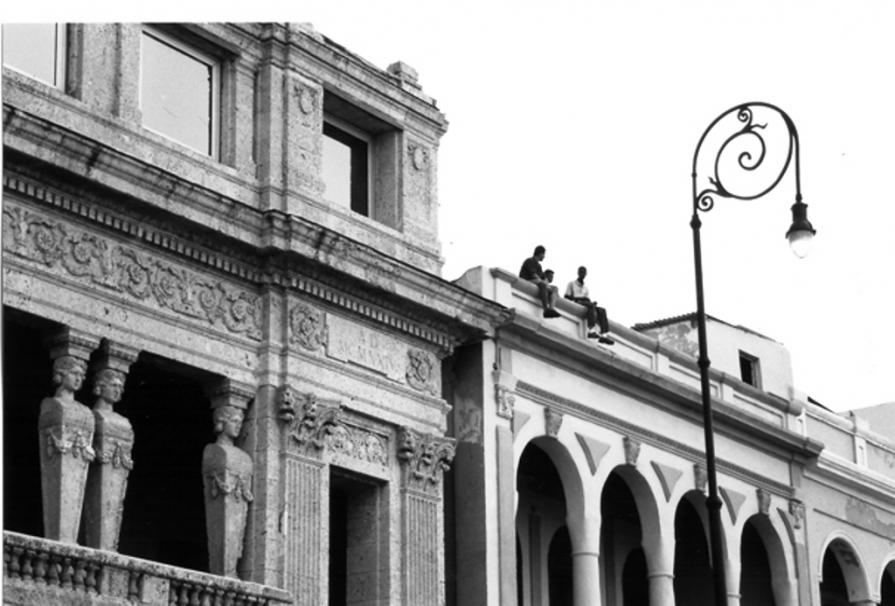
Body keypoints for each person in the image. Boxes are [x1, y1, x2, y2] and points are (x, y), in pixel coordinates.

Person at [564, 266, 614, 345]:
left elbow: (587, 299)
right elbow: (567, 296)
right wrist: (578, 299)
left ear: (586, 274)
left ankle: (604, 335)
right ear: (578, 273)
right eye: (581, 272)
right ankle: (591, 329)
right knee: (590, 305)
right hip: (577, 301)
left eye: (584, 272)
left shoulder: (585, 288)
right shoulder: (571, 284)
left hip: (586, 303)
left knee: (602, 310)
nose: (582, 274)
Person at [519, 246, 560, 318]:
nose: (544, 256)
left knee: (555, 288)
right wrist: (544, 283)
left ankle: (551, 308)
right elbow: (534, 275)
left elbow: (542, 278)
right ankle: (545, 309)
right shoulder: (529, 261)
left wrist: (550, 287)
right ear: (540, 253)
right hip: (526, 281)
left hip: (536, 282)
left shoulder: (539, 266)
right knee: (542, 284)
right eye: (544, 254)